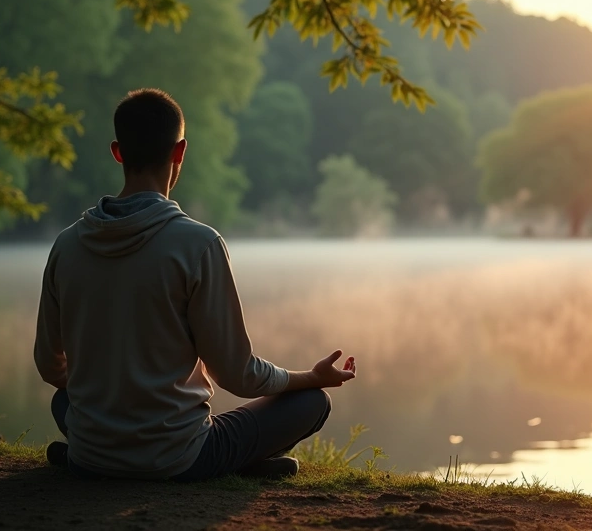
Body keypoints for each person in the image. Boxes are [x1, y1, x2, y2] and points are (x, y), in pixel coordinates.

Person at [33, 88, 356, 481]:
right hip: (178, 459)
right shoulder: (198, 244)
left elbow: (49, 364)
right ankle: (238, 463)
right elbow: (239, 376)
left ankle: (83, 454)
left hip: (92, 454)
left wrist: (107, 390)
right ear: (180, 152)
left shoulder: (66, 245)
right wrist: (312, 377)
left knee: (64, 400)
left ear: (118, 152)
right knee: (311, 403)